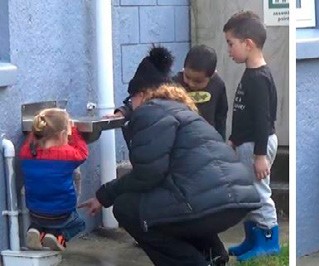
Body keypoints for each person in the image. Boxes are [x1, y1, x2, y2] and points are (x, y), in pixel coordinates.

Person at [78, 46, 261, 266]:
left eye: (132, 98)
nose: (131, 104)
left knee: (127, 207)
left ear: (143, 94)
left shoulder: (150, 113)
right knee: (174, 206)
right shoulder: (182, 110)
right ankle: (213, 256)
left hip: (210, 203)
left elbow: (148, 174)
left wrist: (106, 194)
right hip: (236, 199)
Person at [221, 11, 281, 261]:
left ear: (248, 44)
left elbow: (263, 120)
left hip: (258, 145)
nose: (229, 51)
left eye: (230, 44)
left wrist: (259, 155)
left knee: (258, 192)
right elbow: (243, 114)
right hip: (246, 143)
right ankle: (253, 239)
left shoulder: (258, 78)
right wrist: (234, 138)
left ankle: (269, 241)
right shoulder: (250, 72)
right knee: (248, 192)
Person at [20, 108, 87, 251]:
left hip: (35, 210)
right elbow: (82, 153)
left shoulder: (26, 152)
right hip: (61, 213)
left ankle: (35, 231)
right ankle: (58, 237)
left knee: (42, 219)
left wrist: (35, 132)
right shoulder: (67, 155)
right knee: (79, 223)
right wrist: (74, 130)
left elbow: (32, 140)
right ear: (63, 134)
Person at [174, 45, 228, 139]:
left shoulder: (218, 85)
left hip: (208, 139)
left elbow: (221, 116)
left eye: (198, 81)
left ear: (212, 76)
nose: (191, 84)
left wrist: (221, 140)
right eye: (187, 77)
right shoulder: (174, 85)